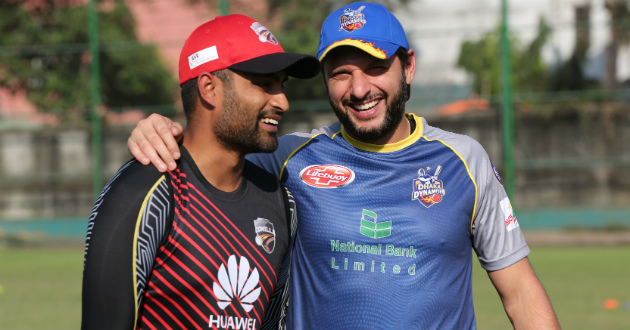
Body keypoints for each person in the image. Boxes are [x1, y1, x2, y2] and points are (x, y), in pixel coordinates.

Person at [127, 3, 561, 330]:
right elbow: (211, 147)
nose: (359, 89)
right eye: (341, 73)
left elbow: (520, 291)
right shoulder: (288, 157)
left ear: (407, 67)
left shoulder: (466, 161)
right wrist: (160, 130)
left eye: (375, 68)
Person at [81, 14, 319, 330]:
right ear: (209, 88)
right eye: (264, 84)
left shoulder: (280, 202)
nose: (283, 102)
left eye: (281, 86)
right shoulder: (142, 191)